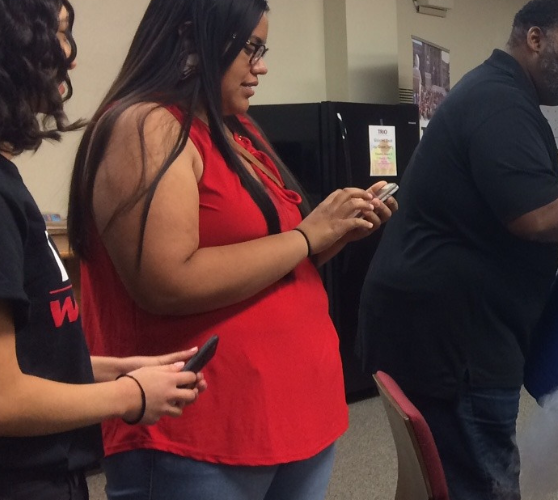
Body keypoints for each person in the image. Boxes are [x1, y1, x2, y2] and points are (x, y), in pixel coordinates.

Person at [66, 0, 396, 498]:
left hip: (296, 414)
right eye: (250, 49)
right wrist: (306, 236)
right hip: (201, 429)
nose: (261, 66)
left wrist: (331, 235)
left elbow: (269, 258)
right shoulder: (146, 126)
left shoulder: (236, 128)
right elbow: (168, 282)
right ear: (189, 40)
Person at [357, 1, 558, 498]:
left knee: (442, 479)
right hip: (456, 345)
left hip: (449, 330)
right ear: (536, 39)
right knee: (480, 479)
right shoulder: (499, 103)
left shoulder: (500, 94)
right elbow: (536, 214)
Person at [0, 1, 205, 498]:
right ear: (4, 44)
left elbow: (22, 359)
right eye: (61, 34)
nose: (70, 56)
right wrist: (129, 396)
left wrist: (121, 369)